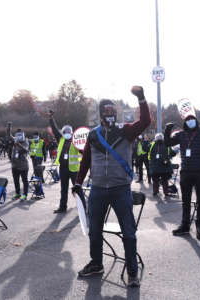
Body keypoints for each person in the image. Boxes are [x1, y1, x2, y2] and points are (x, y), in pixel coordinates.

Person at [73, 86, 151, 288]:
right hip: (98, 189)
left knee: (129, 232)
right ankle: (97, 263)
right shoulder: (93, 135)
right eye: (106, 112)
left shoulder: (125, 130)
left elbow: (145, 122)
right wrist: (78, 181)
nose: (110, 115)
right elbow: (86, 161)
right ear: (100, 114)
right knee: (94, 230)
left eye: (112, 111)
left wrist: (141, 98)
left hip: (120, 189)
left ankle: (132, 272)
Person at [165, 109, 200, 240]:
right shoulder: (181, 134)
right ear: (185, 121)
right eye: (187, 119)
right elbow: (168, 143)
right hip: (185, 172)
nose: (190, 121)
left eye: (192, 119)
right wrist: (167, 130)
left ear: (196, 120)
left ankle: (199, 225)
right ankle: (185, 226)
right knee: (186, 201)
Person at [49, 112, 84, 213]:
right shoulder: (61, 139)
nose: (67, 133)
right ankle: (62, 207)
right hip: (63, 169)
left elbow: (84, 152)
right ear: (63, 132)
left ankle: (83, 208)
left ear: (72, 132)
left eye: (69, 131)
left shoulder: (76, 141)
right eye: (66, 131)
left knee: (78, 189)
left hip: (74, 169)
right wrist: (51, 118)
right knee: (63, 189)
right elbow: (55, 129)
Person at [7, 125, 29, 201]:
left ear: (23, 134)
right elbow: (9, 135)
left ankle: (25, 195)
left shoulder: (25, 141)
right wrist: (9, 127)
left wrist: (18, 144)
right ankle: (17, 193)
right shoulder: (15, 139)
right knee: (16, 180)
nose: (19, 136)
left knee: (24, 180)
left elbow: (26, 150)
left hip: (23, 165)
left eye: (20, 134)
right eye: (17, 134)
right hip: (15, 165)